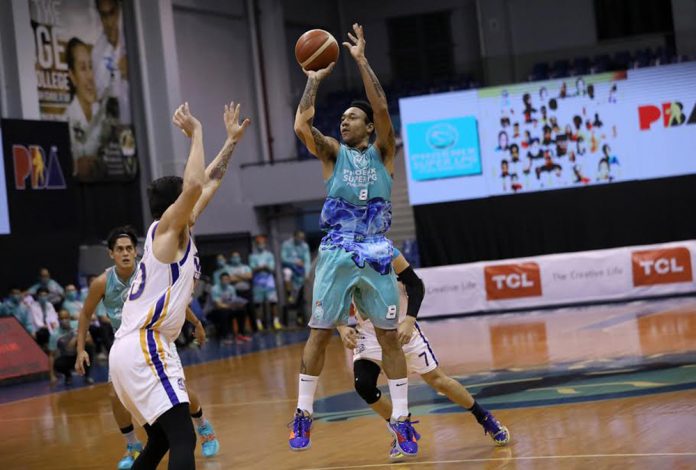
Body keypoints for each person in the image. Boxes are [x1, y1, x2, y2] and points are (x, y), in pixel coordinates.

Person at [289, 23, 419, 457]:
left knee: (388, 340)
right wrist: (312, 83)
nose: (344, 120)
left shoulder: (383, 152)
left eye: (351, 117)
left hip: (377, 250)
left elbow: (382, 109)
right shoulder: (332, 152)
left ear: (368, 127)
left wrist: (361, 60)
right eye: (342, 117)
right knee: (319, 332)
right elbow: (301, 124)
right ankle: (304, 413)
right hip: (338, 249)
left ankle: (401, 421)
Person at [105, 101, 249, 470]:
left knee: (161, 440)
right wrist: (197, 133)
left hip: (132, 348)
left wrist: (231, 141)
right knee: (184, 436)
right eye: (186, 200)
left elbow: (209, 180)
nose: (194, 201)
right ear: (174, 207)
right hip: (144, 343)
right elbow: (196, 183)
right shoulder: (168, 233)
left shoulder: (179, 231)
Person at [338, 250, 510, 459]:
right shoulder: (341, 257)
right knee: (363, 384)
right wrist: (342, 328)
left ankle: (484, 417)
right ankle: (401, 430)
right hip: (369, 333)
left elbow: (415, 284)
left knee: (439, 381)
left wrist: (410, 320)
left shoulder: (386, 252)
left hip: (400, 330)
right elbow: (334, 299)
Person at [76, 226, 220, 467]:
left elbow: (175, 302)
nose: (125, 253)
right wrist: (81, 348)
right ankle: (132, 445)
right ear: (111, 254)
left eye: (129, 249)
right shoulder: (102, 282)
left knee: (181, 394)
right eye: (120, 249)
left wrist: (196, 323)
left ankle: (203, 424)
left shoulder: (147, 273)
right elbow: (85, 314)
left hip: (156, 339)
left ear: (136, 252)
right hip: (127, 348)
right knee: (116, 396)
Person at [65, 37, 107, 181]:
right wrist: (76, 167)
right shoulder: (66, 121)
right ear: (72, 76)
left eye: (91, 67)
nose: (90, 76)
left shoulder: (103, 115)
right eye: (83, 68)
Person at [92, 0, 130, 123]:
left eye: (111, 13)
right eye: (104, 15)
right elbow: (99, 97)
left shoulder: (134, 41)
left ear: (119, 10)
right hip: (115, 125)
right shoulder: (97, 52)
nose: (109, 22)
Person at [49, 309, 95, 386]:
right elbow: (51, 355)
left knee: (89, 348)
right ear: (58, 320)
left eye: (66, 318)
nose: (64, 320)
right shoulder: (55, 335)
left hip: (79, 354)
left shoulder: (78, 324)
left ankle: (87, 376)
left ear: (70, 318)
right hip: (67, 357)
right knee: (58, 364)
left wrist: (76, 338)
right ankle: (68, 376)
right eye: (62, 319)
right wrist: (52, 376)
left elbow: (90, 340)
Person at [250, 235, 282, 331]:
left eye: (262, 243)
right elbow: (253, 269)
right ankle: (259, 323)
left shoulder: (269, 255)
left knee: (273, 303)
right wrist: (263, 267)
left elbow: (271, 268)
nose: (261, 245)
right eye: (259, 243)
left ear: (265, 244)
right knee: (258, 304)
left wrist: (261, 267)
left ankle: (276, 322)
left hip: (269, 283)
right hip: (258, 283)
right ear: (256, 244)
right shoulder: (252, 256)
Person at [209, 272, 249, 343]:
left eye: (227, 279)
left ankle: (240, 334)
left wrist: (239, 304)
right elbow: (217, 304)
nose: (225, 281)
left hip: (229, 308)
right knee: (224, 313)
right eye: (224, 279)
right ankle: (226, 336)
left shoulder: (231, 288)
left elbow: (234, 300)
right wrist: (230, 306)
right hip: (215, 310)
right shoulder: (215, 289)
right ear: (220, 280)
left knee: (242, 311)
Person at [281, 230, 311, 323]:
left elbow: (307, 260)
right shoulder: (286, 245)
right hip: (290, 268)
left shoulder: (304, 246)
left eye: (302, 238)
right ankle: (289, 294)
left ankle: (300, 317)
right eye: (299, 237)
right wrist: (295, 262)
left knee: (300, 297)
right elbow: (283, 259)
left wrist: (307, 274)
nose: (301, 240)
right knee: (287, 273)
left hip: (300, 271)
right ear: (294, 237)